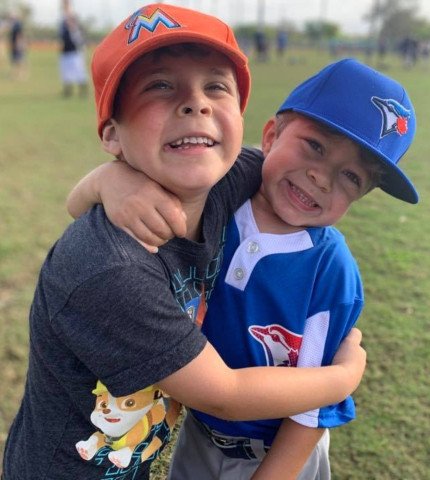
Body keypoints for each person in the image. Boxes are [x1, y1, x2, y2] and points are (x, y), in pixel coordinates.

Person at [1, 5, 366, 480]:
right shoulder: (112, 269)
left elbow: (297, 170)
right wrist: (342, 379)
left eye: (216, 86)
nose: (196, 104)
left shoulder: (228, 181)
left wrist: (103, 182)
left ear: (240, 117)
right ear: (113, 134)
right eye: (159, 85)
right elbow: (224, 395)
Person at [66, 58, 418, 479]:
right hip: (199, 433)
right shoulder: (213, 199)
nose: (321, 178)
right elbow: (81, 208)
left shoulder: (331, 271)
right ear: (271, 135)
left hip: (281, 458)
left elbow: (311, 405)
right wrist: (109, 180)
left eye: (351, 177)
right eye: (315, 146)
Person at [59, 0, 88, 97]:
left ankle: (83, 90)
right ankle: (68, 91)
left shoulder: (72, 17)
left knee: (79, 71)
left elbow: (77, 35)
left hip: (74, 50)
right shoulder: (62, 19)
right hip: (65, 50)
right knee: (66, 72)